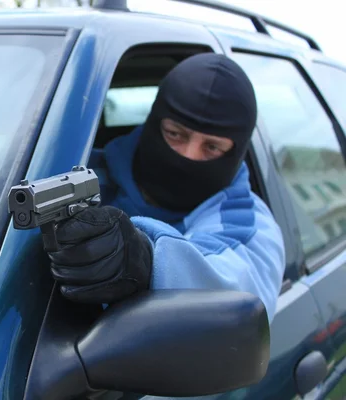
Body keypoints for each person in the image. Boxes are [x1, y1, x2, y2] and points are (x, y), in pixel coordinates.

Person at [46, 53, 286, 322]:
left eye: (212, 147)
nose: (189, 156)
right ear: (154, 123)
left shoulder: (249, 225)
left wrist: (144, 262)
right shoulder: (76, 174)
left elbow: (232, 286)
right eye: (175, 134)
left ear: (236, 152)